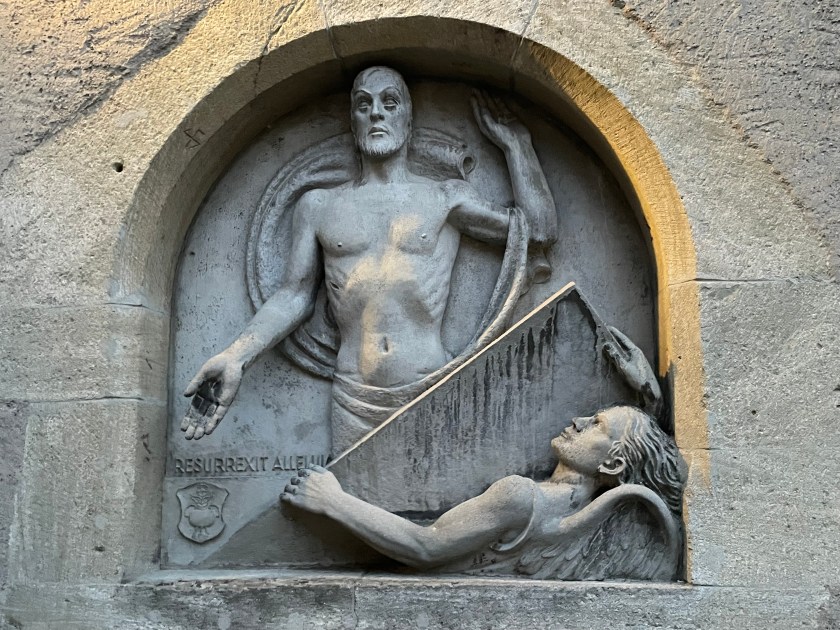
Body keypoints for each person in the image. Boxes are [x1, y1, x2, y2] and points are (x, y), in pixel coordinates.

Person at [181, 66, 557, 451]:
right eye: (364, 104)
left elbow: (537, 232)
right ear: (353, 122)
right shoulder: (319, 206)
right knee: (344, 492)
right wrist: (236, 356)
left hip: (431, 385)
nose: (376, 113)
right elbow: (294, 296)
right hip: (354, 398)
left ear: (408, 121)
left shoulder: (444, 198)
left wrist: (517, 146)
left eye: (389, 103)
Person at [280, 329, 687, 580]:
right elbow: (654, 472)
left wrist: (331, 499)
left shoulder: (520, 496)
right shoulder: (595, 513)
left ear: (613, 464)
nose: (578, 420)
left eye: (596, 424)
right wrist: (649, 400)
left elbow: (426, 547)